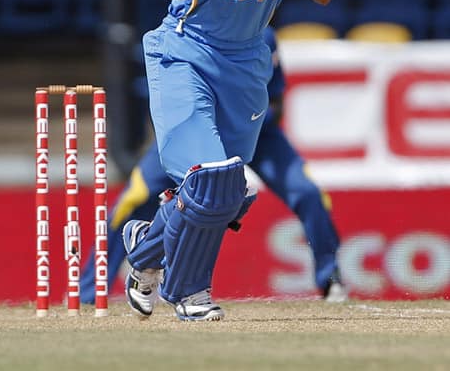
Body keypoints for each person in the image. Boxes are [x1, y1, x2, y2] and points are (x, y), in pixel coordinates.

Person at [121, 0, 336, 322]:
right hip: (185, 49)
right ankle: (190, 296)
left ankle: (145, 249)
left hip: (247, 62)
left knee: (228, 195)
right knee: (213, 179)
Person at [80, 26, 346, 306]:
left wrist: (249, 123)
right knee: (133, 200)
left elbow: (276, 98)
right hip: (195, 132)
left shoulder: (263, 37)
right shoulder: (187, 32)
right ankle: (89, 293)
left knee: (308, 193)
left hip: (256, 134)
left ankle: (331, 280)